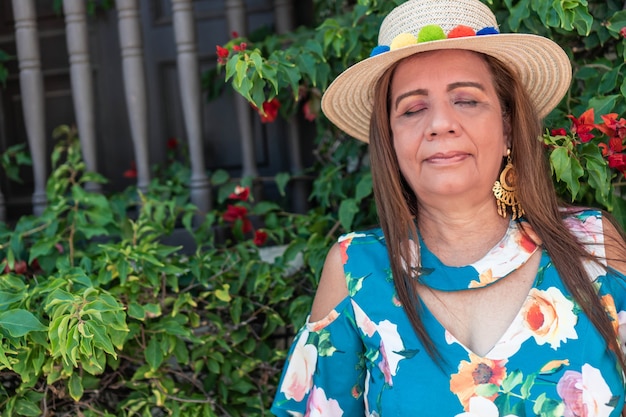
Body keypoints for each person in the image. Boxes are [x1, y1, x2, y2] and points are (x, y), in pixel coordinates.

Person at [271, 0, 626, 415]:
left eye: (467, 100)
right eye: (413, 108)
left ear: (508, 126)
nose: (440, 123)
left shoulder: (590, 245)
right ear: (390, 140)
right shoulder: (356, 271)